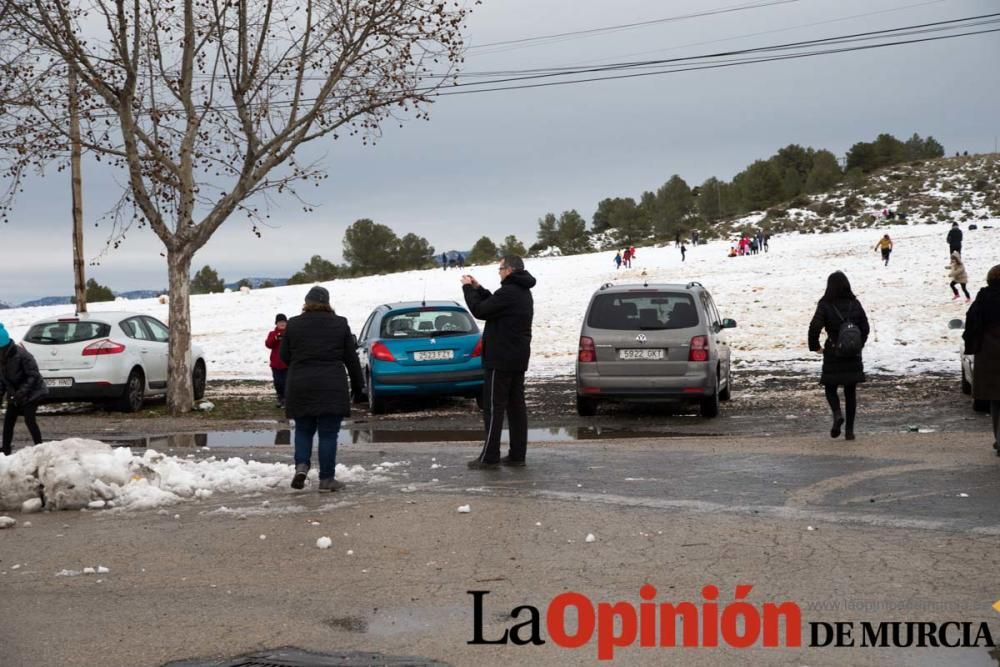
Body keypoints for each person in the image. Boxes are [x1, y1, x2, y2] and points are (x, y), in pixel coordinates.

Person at [279, 286, 363, 491]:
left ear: (306, 303)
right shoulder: (340, 323)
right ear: (327, 303)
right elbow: (351, 359)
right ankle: (326, 479)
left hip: (300, 384)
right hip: (331, 385)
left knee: (303, 429)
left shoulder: (294, 324)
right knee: (327, 434)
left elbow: (284, 356)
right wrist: (359, 387)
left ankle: (301, 465)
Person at [461, 255, 536, 469]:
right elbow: (494, 303)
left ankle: (490, 456)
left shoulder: (510, 292)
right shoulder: (521, 291)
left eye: (500, 269)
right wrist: (479, 288)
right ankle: (517, 454)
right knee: (516, 407)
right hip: (517, 357)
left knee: (494, 408)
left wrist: (467, 289)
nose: (500, 272)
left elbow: (480, 310)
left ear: (510, 270)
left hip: (501, 359)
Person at [808, 272, 870, 441]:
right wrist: (858, 344)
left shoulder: (825, 304)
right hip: (853, 353)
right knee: (850, 391)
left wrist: (816, 347)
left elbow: (815, 326)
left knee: (830, 386)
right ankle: (849, 431)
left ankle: (837, 414)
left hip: (833, 351)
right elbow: (865, 327)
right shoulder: (855, 303)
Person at [963, 265, 1000, 455]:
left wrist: (971, 347)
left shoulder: (983, 299)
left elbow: (971, 324)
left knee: (996, 400)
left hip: (989, 353)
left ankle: (999, 439)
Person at [0, 323, 47, 455]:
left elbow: (33, 376)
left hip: (33, 391)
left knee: (29, 419)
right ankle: (6, 449)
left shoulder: (22, 355)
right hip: (15, 392)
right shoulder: (1, 357)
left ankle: (40, 448)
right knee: (9, 420)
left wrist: (21, 392)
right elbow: (2, 379)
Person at [265, 313, 289, 408]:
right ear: (276, 323)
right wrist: (276, 338)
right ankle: (280, 399)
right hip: (276, 364)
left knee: (287, 382)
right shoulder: (272, 334)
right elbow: (268, 344)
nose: (282, 324)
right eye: (280, 322)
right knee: (278, 382)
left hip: (287, 363)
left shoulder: (290, 333)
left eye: (283, 322)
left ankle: (287, 400)